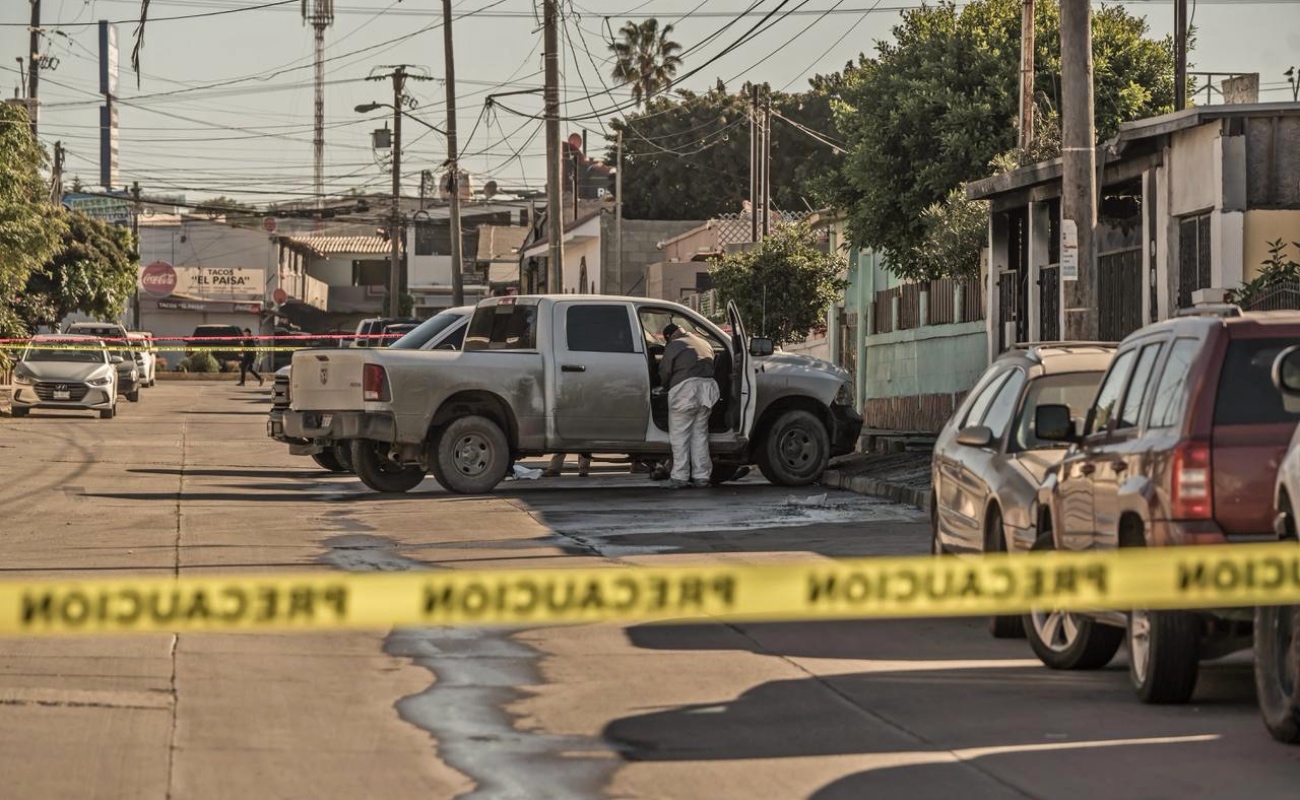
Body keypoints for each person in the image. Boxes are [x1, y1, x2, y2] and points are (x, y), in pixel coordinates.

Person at [659, 323, 719, 489]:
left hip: (685, 391)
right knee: (700, 435)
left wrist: (663, 386)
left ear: (670, 337)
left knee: (680, 436)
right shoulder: (704, 343)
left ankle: (680, 477)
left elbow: (665, 371)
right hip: (707, 390)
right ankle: (701, 477)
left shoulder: (674, 345)